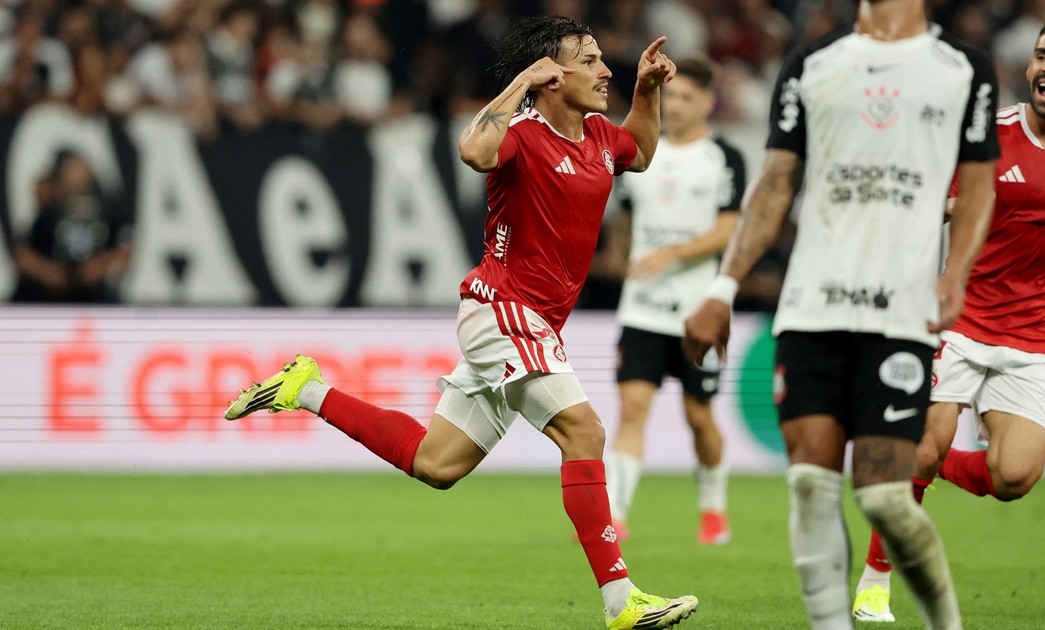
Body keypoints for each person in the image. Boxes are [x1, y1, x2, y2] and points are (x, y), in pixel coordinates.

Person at [224, 16, 698, 630]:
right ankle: (621, 600)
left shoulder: (601, 138)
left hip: (532, 322)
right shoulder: (522, 133)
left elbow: (644, 151)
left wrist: (648, 89)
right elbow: (473, 150)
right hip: (504, 309)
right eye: (588, 60)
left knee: (437, 464)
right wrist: (521, 83)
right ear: (552, 76)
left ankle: (306, 389)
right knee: (584, 433)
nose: (605, 69)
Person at [683, 0, 1000, 627]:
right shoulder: (813, 63)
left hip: (900, 312)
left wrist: (956, 274)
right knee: (809, 486)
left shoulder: (964, 69)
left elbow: (978, 186)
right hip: (812, 305)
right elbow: (776, 182)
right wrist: (723, 287)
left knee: (885, 498)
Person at [851, 20, 1045, 623]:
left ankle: (923, 461)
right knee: (923, 447)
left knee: (1013, 477)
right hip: (957, 320)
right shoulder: (985, 136)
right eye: (1041, 56)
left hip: (1030, 338)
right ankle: (876, 581)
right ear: (1029, 67)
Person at [605, 55, 745, 547]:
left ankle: (713, 509)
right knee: (631, 409)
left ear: (708, 102)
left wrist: (670, 254)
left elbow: (728, 230)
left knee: (698, 416)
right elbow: (624, 218)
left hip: (697, 310)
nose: (678, 105)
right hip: (642, 307)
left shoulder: (724, 158)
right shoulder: (641, 152)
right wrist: (624, 257)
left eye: (687, 96)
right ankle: (615, 516)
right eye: (671, 96)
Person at [12, 151, 133, 303]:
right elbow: (23, 254)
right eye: (70, 170)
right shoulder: (47, 210)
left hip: (94, 299)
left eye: (79, 169)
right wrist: (49, 273)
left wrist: (98, 268)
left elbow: (125, 251)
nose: (75, 175)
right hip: (47, 299)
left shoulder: (107, 210)